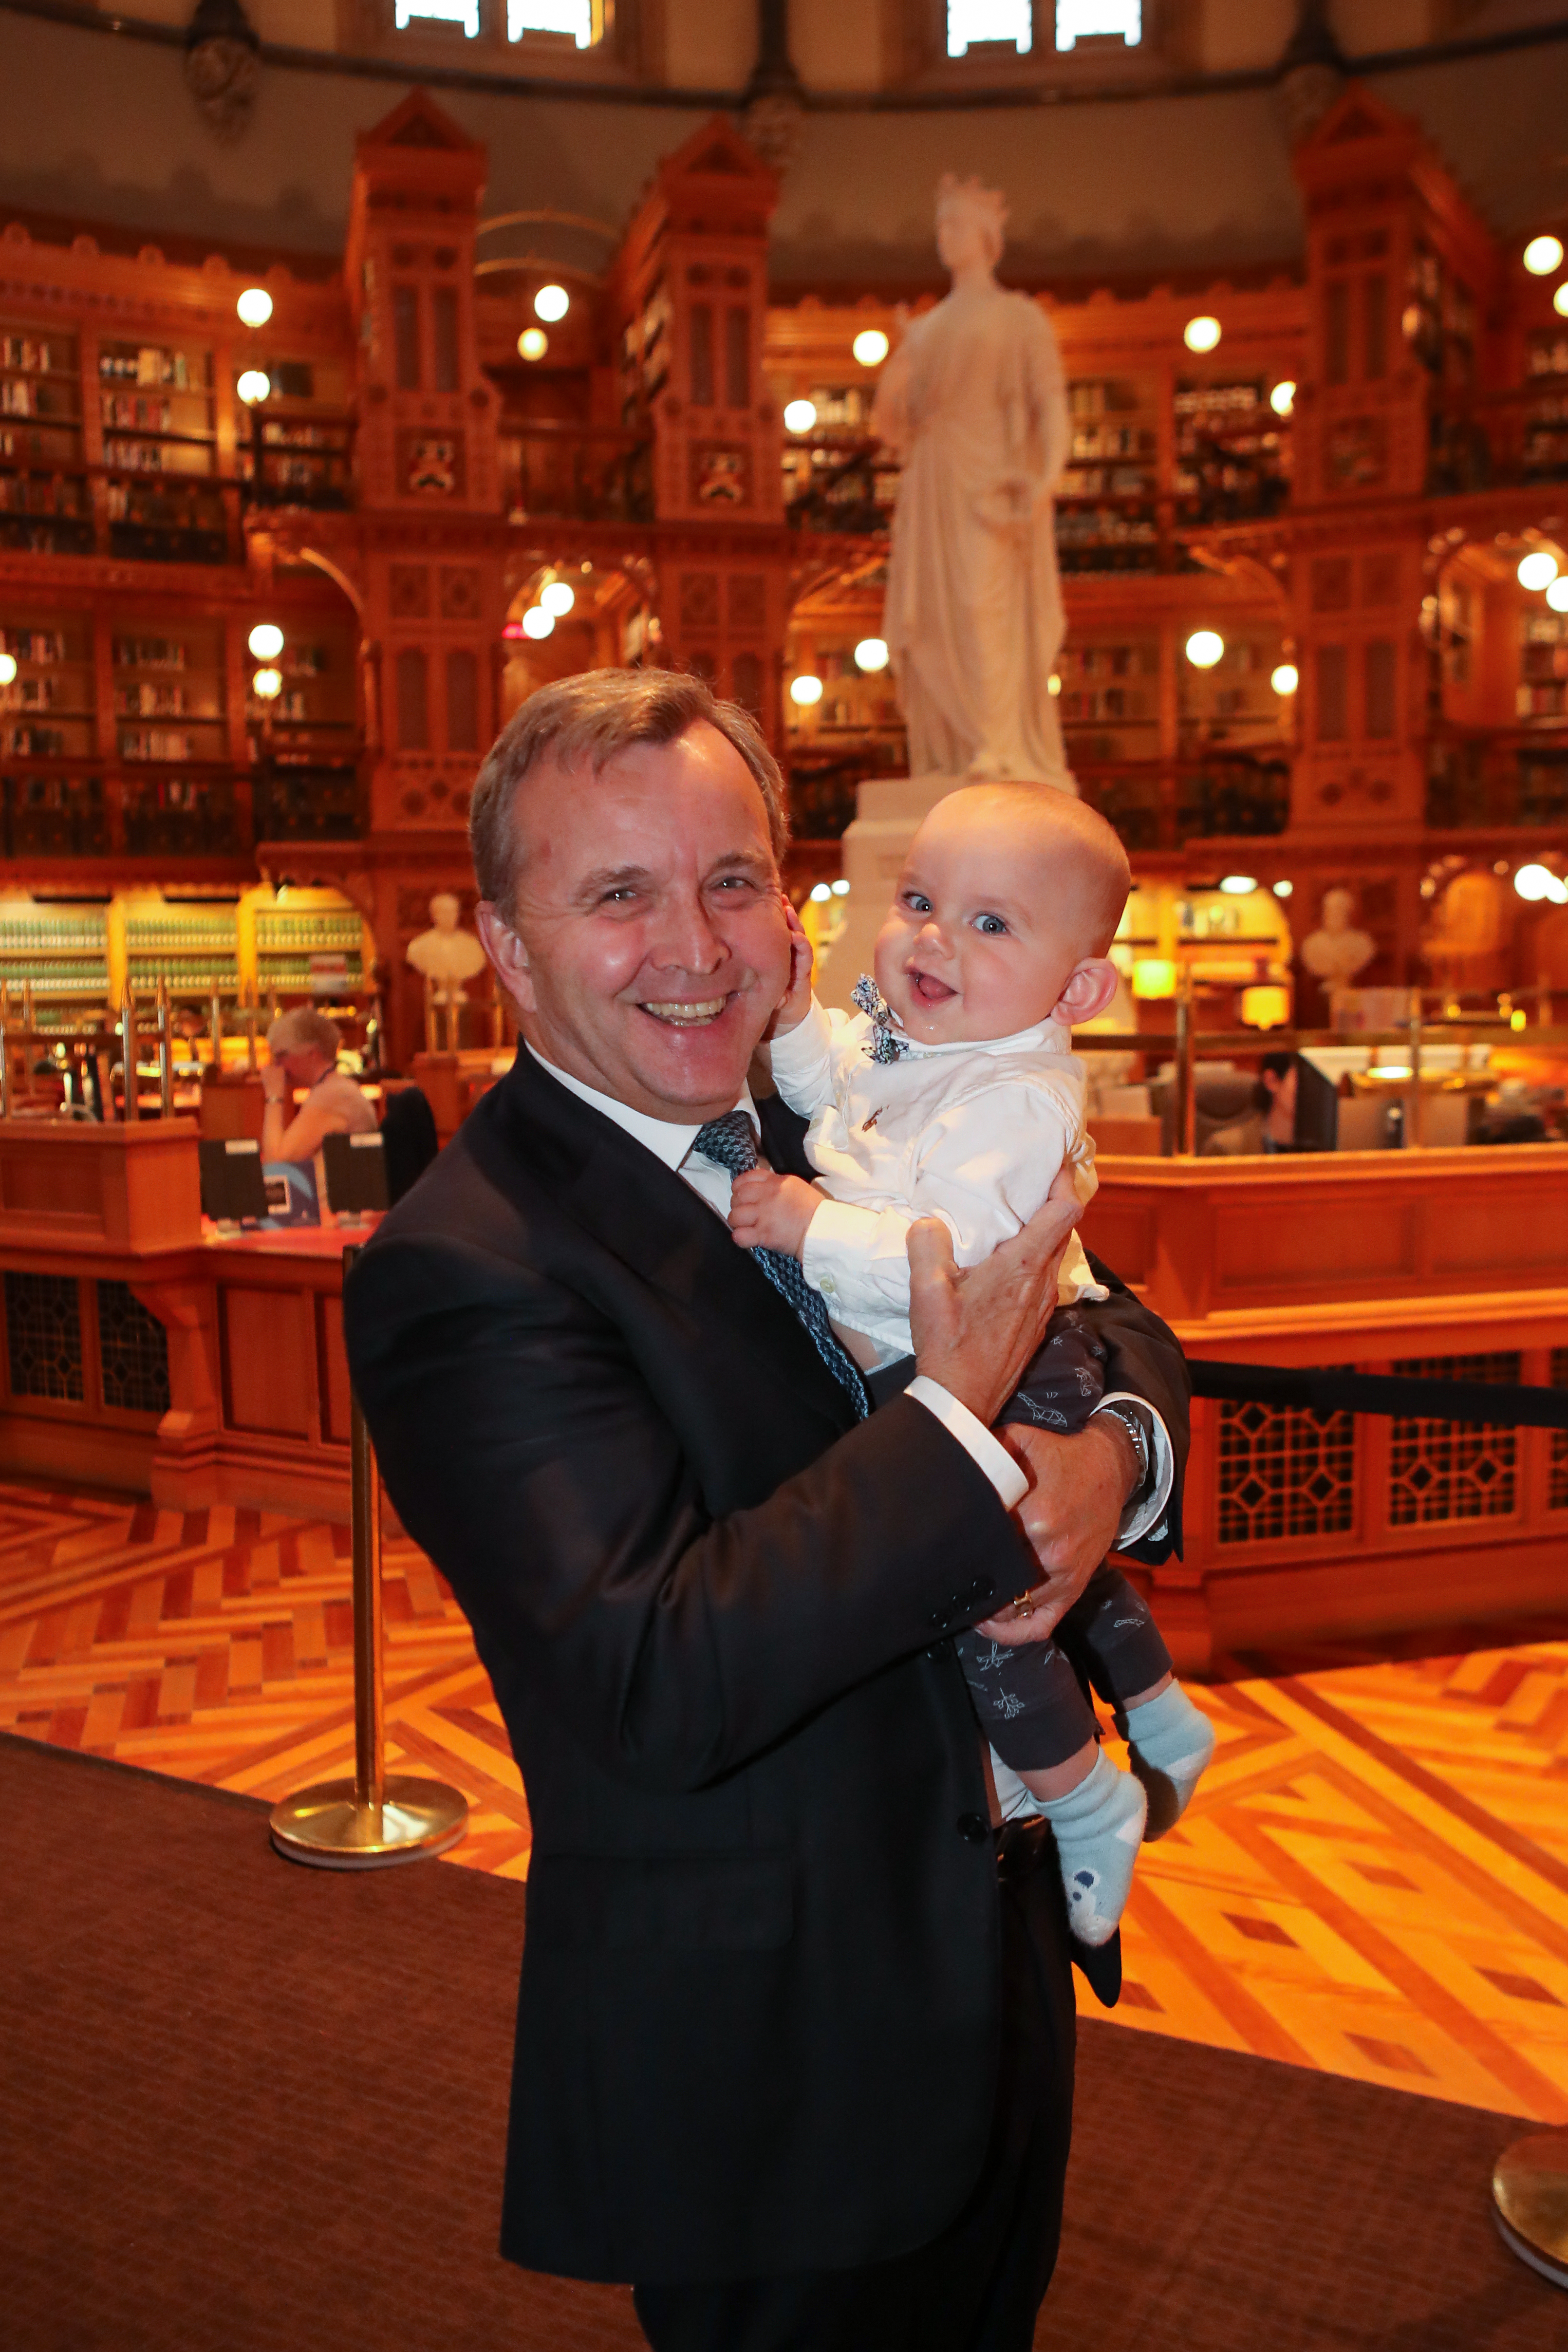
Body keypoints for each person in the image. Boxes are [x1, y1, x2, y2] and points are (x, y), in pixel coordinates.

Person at [342, 670, 1191, 2352]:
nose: (699, 947)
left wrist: (1105, 1464)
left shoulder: (833, 1099)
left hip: (993, 1950)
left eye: (733, 881)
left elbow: (1114, 1316)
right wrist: (968, 1429)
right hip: (779, 2065)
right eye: (617, 895)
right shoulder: (465, 1265)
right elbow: (657, 1675)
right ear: (508, 948)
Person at [734, 784, 1214, 1947]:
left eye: (991, 923)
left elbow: (950, 1264)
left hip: (1001, 1364)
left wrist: (804, 1224)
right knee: (1032, 1567)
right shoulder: (933, 1044)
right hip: (798, 1830)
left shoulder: (1014, 1093)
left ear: (1082, 988)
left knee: (987, 1606)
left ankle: (1083, 1797)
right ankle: (1156, 1709)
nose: (936, 937)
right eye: (918, 901)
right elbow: (836, 1095)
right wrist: (800, 1011)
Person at [872, 174, 1073, 788]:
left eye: (957, 224)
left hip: (987, 480)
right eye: (941, 225)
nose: (946, 236)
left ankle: (994, 745)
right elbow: (889, 425)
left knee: (981, 608)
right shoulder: (925, 330)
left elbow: (1052, 406)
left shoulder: (1018, 317)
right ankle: (943, 753)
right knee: (932, 620)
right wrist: (897, 371)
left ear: (988, 236)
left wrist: (1045, 480)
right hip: (931, 482)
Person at [260, 1006, 376, 1168]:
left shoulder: (334, 1094)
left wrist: (274, 1096)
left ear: (312, 1053)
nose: (276, 1067)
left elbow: (277, 1165)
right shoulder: (334, 1087)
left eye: (281, 1056)